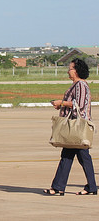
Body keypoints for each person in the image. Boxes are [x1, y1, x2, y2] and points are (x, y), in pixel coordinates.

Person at [44, 58, 97, 196]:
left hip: (77, 127)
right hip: (73, 127)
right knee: (70, 157)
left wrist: (61, 102)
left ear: (77, 71)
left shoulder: (80, 85)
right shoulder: (76, 85)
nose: (68, 71)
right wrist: (61, 105)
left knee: (75, 157)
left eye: (70, 69)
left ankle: (59, 187)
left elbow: (78, 105)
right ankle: (61, 187)